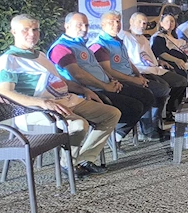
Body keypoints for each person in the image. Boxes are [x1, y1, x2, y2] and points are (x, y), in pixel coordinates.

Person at [0, 14, 121, 177]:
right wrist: (43, 103)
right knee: (78, 125)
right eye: (25, 30)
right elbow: (5, 92)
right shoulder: (9, 60)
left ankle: (85, 158)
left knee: (111, 114)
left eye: (35, 29)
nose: (32, 34)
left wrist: (84, 90)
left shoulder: (41, 56)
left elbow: (60, 82)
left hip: (63, 101)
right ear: (13, 32)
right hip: (32, 112)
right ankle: (67, 163)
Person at [48, 12, 151, 141]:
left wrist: (112, 80)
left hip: (106, 85)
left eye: (86, 25)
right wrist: (105, 86)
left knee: (147, 96)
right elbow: (78, 75)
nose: (84, 29)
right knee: (134, 107)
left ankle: (118, 133)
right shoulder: (61, 48)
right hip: (90, 92)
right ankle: (114, 135)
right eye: (79, 25)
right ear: (67, 26)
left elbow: (98, 67)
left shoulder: (81, 44)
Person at [90, 11, 171, 139]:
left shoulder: (118, 40)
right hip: (118, 81)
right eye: (111, 22)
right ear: (102, 25)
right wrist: (133, 80)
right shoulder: (100, 44)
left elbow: (128, 61)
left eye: (118, 21)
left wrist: (139, 76)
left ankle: (152, 126)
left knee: (163, 88)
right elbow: (107, 71)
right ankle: (135, 130)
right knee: (149, 94)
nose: (116, 25)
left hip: (131, 77)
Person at [121, 12, 188, 122]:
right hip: (140, 71)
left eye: (144, 23)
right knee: (163, 87)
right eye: (140, 22)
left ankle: (170, 108)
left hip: (154, 68)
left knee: (181, 81)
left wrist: (159, 61)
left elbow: (149, 56)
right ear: (131, 22)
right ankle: (154, 122)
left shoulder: (143, 38)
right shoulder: (125, 37)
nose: (142, 25)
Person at [151, 13, 188, 95]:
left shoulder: (176, 38)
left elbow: (185, 52)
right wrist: (176, 60)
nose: (170, 23)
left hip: (186, 61)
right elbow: (161, 53)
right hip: (173, 63)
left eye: (172, 21)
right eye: (167, 21)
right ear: (161, 24)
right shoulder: (159, 37)